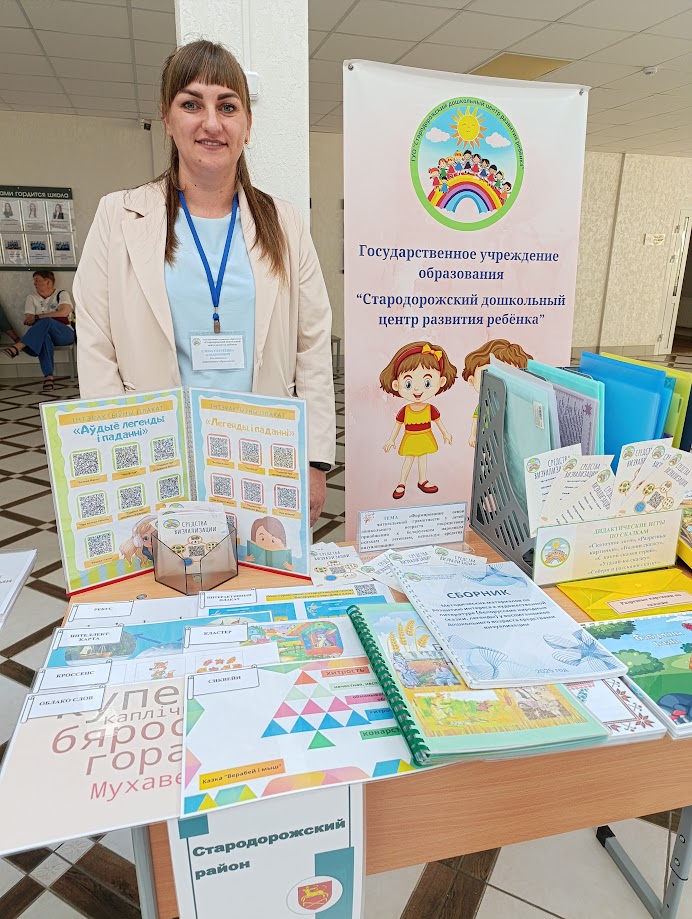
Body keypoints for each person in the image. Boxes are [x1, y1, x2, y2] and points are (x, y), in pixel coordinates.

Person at [73, 40, 335, 525]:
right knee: (163, 570)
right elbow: (95, 342)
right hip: (156, 456)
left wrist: (316, 460)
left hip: (262, 455)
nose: (211, 123)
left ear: (247, 125)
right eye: (191, 104)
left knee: (260, 568)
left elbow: (313, 345)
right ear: (167, 118)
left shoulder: (284, 223)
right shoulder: (120, 216)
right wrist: (116, 452)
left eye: (227, 107)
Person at [2, 270, 75, 390]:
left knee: (47, 321)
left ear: (48, 282)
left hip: (64, 334)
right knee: (44, 337)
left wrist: (38, 317)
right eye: (34, 281)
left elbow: (64, 312)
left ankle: (19, 346)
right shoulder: (32, 298)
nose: (34, 284)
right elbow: (29, 318)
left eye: (37, 280)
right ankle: (48, 377)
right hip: (44, 335)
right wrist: (45, 316)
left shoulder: (62, 294)